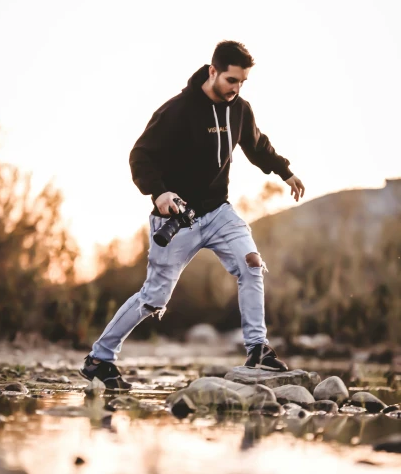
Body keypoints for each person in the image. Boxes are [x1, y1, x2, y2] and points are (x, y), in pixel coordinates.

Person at [81, 40, 305, 389]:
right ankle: (100, 358)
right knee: (154, 298)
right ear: (213, 71)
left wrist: (285, 171)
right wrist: (159, 193)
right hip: (176, 220)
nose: (237, 88)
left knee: (251, 264)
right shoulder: (177, 110)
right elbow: (140, 156)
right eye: (232, 80)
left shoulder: (240, 110)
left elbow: (258, 146)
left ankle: (257, 348)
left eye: (243, 82)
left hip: (218, 213)